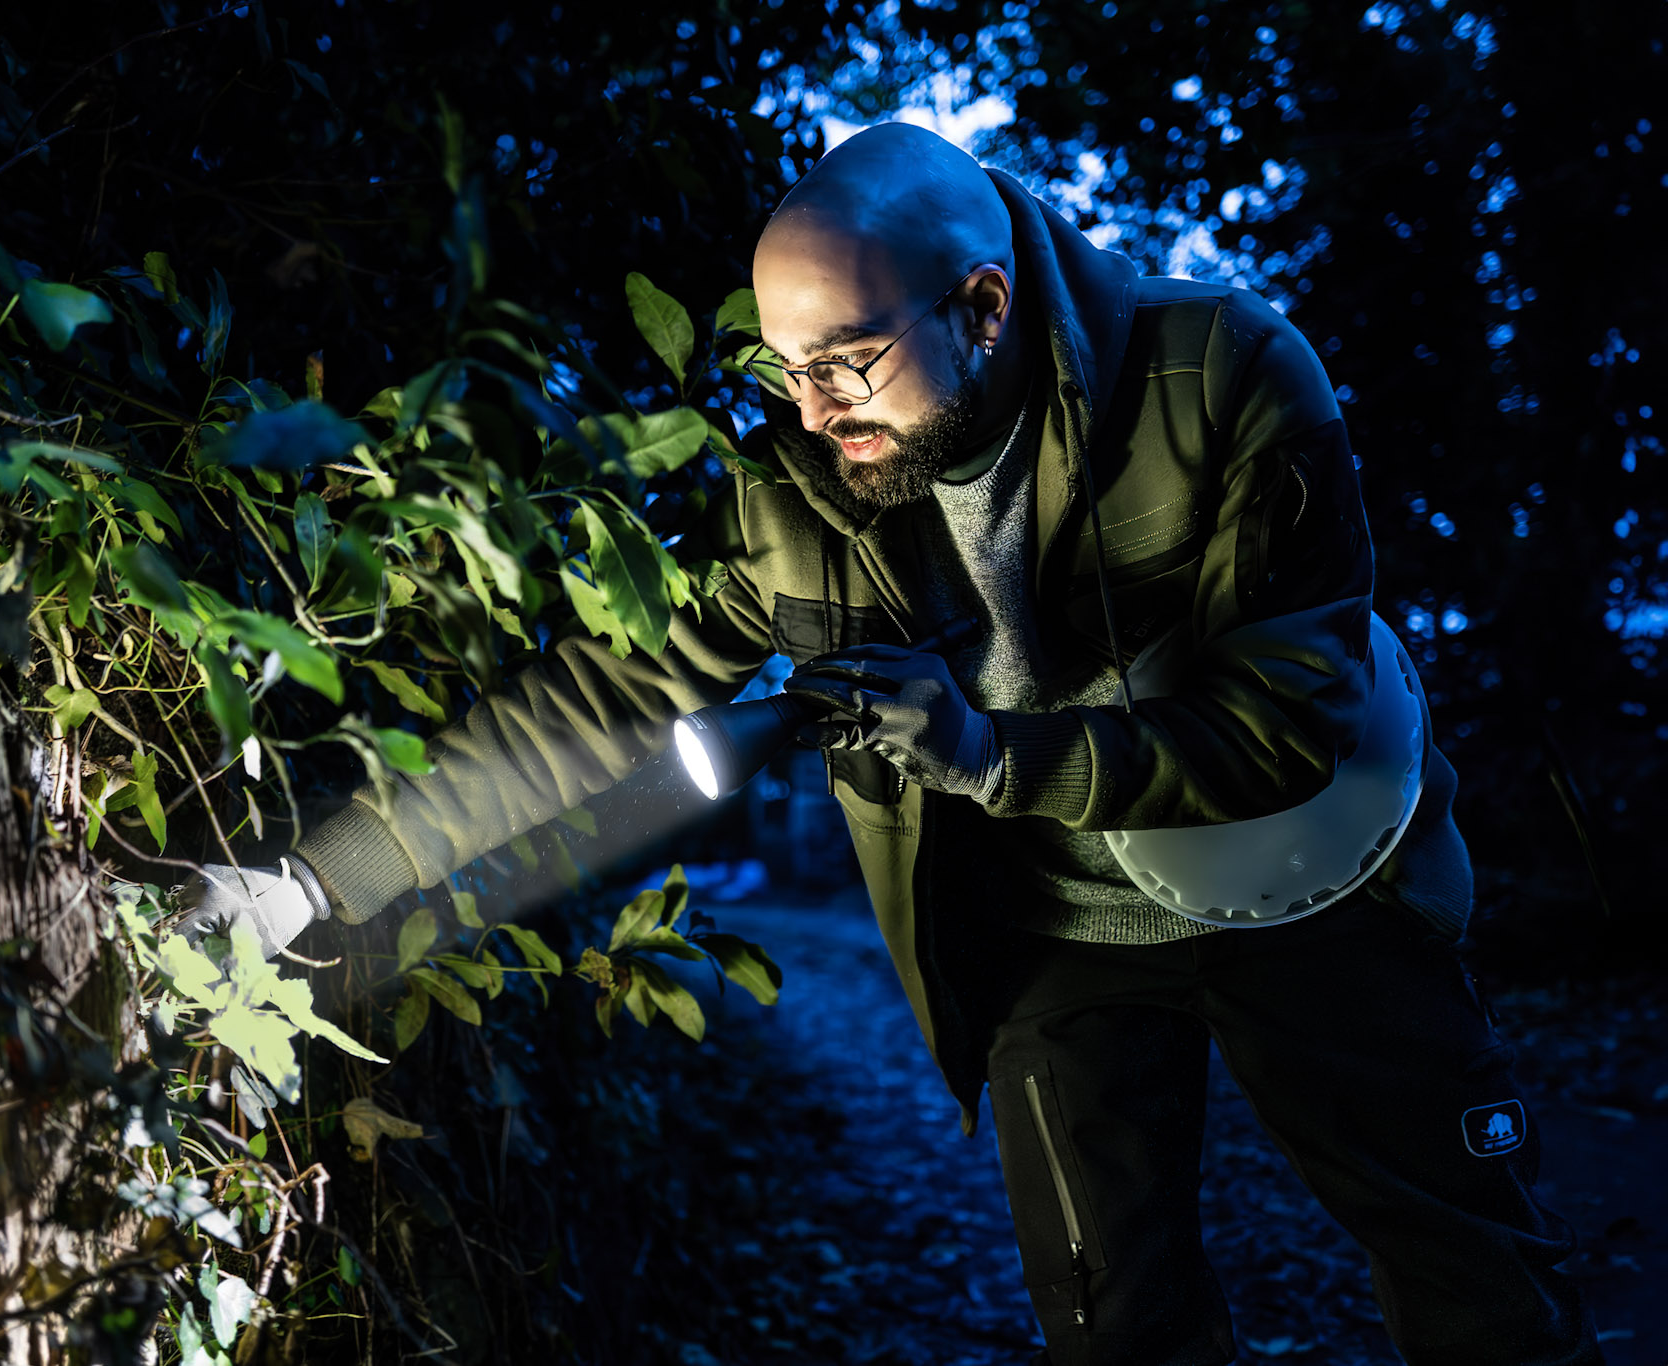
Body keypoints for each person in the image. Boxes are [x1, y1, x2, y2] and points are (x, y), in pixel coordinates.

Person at [180, 124, 1599, 1364]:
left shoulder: (1225, 377)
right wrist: (312, 882)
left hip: (1318, 882)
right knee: (1115, 1327)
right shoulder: (797, 483)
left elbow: (1288, 720)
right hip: (1051, 930)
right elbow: (602, 704)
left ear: (981, 307)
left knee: (1481, 1289)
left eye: (848, 362)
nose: (811, 412)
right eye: (784, 366)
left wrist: (990, 756)